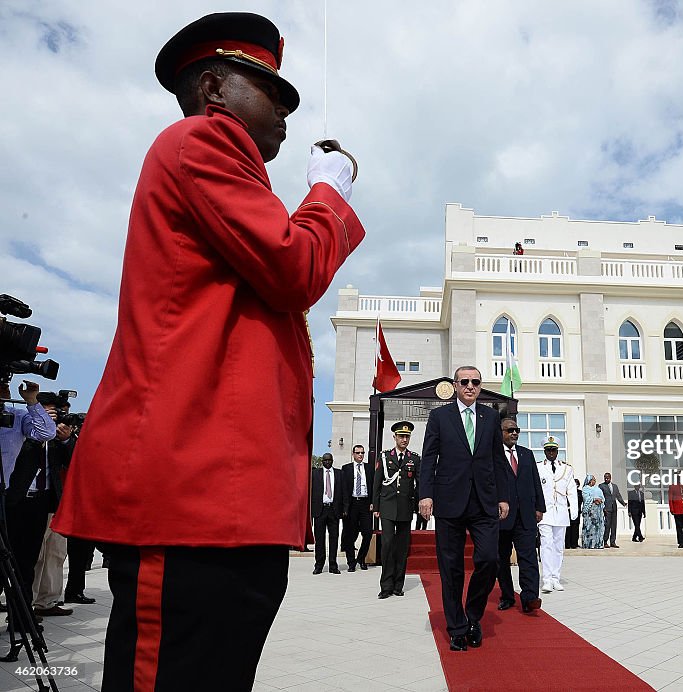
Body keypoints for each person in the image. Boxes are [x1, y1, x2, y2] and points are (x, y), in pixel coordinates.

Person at [51, 12, 365, 689]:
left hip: (216, 499)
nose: (284, 107)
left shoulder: (225, 166)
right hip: (190, 495)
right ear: (215, 87)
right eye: (269, 87)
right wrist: (328, 193)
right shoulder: (202, 141)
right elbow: (293, 267)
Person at [419, 368, 509, 651]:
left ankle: (473, 615)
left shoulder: (491, 417)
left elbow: (497, 459)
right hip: (449, 500)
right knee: (451, 568)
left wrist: (503, 497)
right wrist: (426, 495)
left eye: (476, 382)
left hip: (484, 501)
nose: (470, 386)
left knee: (489, 559)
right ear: (455, 385)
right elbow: (429, 457)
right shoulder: (440, 417)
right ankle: (457, 628)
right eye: (465, 381)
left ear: (480, 386)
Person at [4, 388, 60, 629]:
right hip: (12, 501)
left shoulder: (17, 416)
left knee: (25, 563)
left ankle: (21, 618)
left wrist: (32, 403)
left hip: (33, 504)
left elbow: (46, 432)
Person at [31, 393, 78, 617]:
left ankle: (47, 601)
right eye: (47, 411)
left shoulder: (62, 438)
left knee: (56, 554)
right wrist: (40, 428)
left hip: (57, 502)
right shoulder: (27, 428)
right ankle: (25, 602)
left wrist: (65, 440)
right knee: (32, 554)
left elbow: (74, 462)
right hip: (30, 502)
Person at [496, 417, 545, 613]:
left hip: (526, 516)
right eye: (509, 430)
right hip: (502, 517)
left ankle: (530, 597)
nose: (514, 433)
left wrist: (539, 507)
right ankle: (507, 596)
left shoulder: (526, 454)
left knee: (529, 558)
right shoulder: (493, 455)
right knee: (501, 559)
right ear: (500, 432)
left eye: (516, 430)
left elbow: (535, 482)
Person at [373, 422, 419, 597]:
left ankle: (398, 585)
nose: (404, 439)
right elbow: (377, 482)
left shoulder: (414, 458)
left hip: (405, 508)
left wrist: (419, 504)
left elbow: (419, 484)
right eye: (401, 436)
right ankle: (386, 586)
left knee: (402, 547)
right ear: (395, 437)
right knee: (387, 545)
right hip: (387, 506)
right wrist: (376, 505)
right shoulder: (385, 457)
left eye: (407, 437)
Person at [537, 437, 576, 594]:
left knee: (558, 547)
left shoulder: (566, 469)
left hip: (560, 512)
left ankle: (555, 578)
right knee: (546, 545)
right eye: (548, 450)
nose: (551, 453)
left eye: (553, 450)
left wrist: (573, 510)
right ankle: (547, 579)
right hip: (545, 513)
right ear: (544, 451)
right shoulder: (538, 467)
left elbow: (572, 489)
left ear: (557, 451)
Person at [341, 444, 375, 571]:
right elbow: (343, 489)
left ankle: (361, 558)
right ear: (353, 454)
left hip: (366, 504)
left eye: (362, 453)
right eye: (358, 453)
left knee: (367, 533)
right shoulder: (346, 469)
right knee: (350, 534)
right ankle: (351, 562)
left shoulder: (370, 468)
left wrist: (373, 502)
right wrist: (344, 507)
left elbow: (373, 486)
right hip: (352, 504)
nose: (360, 455)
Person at [310, 452, 342, 574]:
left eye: (329, 460)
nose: (327, 462)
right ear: (322, 462)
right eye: (325, 460)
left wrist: (344, 509)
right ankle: (319, 565)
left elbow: (343, 492)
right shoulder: (315, 474)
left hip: (334, 510)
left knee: (334, 538)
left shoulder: (339, 474)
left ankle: (333, 565)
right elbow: (311, 492)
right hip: (320, 510)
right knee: (319, 539)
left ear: (332, 461)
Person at [598, 472, 626, 548]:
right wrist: (603, 508)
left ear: (610, 478)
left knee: (614, 526)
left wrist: (623, 503)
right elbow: (600, 497)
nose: (606, 479)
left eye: (608, 478)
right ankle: (605, 542)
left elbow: (618, 496)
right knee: (607, 525)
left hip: (614, 508)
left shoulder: (615, 486)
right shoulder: (601, 486)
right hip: (606, 508)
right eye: (605, 478)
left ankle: (613, 542)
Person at [580, 475, 605, 549]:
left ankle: (598, 543)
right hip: (589, 513)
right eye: (593, 480)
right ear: (589, 481)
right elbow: (586, 498)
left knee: (598, 528)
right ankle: (588, 544)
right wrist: (594, 499)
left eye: (595, 480)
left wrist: (600, 500)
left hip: (598, 511)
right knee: (589, 528)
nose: (594, 481)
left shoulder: (597, 489)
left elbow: (602, 497)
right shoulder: (585, 489)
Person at [668, 483, 683, 548]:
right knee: (679, 527)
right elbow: (670, 499)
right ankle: (681, 542)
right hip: (677, 510)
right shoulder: (672, 486)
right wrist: (672, 509)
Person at [565, 479, 582, 549]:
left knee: (575, 528)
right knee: (568, 528)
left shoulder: (580, 492)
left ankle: (574, 543)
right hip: (568, 512)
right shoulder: (567, 492)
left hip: (577, 512)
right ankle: (567, 544)